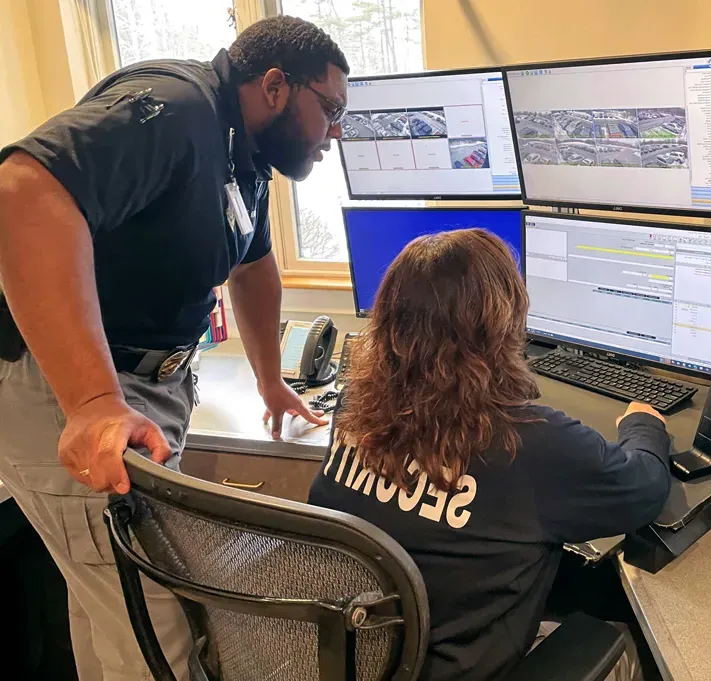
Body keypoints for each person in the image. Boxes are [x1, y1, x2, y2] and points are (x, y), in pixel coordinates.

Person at [0, 16, 347, 680]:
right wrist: (96, 402)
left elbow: (254, 267)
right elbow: (24, 188)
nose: (336, 132)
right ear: (275, 85)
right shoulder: (176, 110)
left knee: (110, 606)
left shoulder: (241, 153)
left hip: (146, 390)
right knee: (159, 637)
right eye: (330, 109)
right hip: (75, 389)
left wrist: (272, 381)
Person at [308, 229, 672, 681]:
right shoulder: (528, 441)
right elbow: (645, 488)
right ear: (503, 322)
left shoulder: (354, 411)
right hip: (453, 665)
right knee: (632, 644)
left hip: (358, 658)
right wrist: (643, 422)